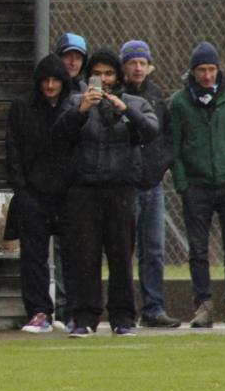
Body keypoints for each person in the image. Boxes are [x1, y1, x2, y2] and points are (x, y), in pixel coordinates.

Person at [53, 48, 159, 338]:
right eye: (97, 74)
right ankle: (84, 317)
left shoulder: (134, 103)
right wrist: (82, 110)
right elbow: (60, 135)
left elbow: (150, 131)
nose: (103, 79)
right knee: (84, 257)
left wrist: (124, 109)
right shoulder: (74, 102)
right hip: (83, 190)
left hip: (120, 189)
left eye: (108, 74)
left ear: (118, 76)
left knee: (121, 255)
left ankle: (123, 317)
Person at [168, 41, 225, 328]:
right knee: (198, 249)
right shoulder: (179, 103)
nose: (207, 76)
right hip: (196, 186)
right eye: (202, 70)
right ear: (193, 72)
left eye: (211, 69)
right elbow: (175, 147)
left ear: (218, 70)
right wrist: (182, 182)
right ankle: (203, 306)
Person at [5, 53, 71, 334]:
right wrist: (21, 188)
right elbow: (13, 149)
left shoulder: (72, 107)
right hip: (32, 192)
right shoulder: (22, 108)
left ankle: (72, 313)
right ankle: (38, 311)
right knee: (33, 256)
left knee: (73, 253)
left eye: (56, 80)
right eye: (45, 80)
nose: (50, 85)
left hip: (67, 192)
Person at [120, 40, 182, 328]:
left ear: (149, 66)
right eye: (132, 62)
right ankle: (124, 309)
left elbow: (167, 137)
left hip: (153, 184)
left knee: (154, 250)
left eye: (142, 62)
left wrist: (163, 164)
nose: (137, 67)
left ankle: (154, 308)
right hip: (127, 185)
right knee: (124, 249)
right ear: (124, 66)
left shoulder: (157, 97)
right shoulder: (116, 97)